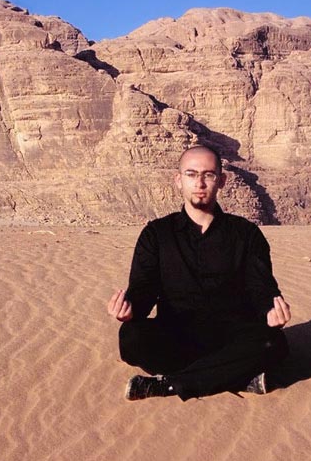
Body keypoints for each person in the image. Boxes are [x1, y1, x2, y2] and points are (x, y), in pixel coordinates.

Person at [106, 145, 291, 401]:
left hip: (232, 337)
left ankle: (170, 385)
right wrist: (129, 309)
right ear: (178, 180)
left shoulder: (246, 234)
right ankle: (235, 377)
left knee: (273, 342)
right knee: (131, 338)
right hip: (177, 336)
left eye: (209, 175)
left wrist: (271, 311)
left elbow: (261, 288)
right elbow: (143, 290)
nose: (200, 183)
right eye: (191, 174)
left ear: (222, 181)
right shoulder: (156, 234)